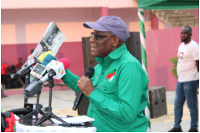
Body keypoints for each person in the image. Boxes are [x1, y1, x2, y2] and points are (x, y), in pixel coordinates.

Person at [62, 16, 149, 132]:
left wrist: (92, 93)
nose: (92, 40)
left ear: (114, 40)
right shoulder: (102, 65)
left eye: (98, 36)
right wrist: (61, 72)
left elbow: (127, 113)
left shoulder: (129, 66)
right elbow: (84, 87)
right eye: (93, 35)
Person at [169, 26, 199, 132]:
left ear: (190, 34)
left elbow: (198, 62)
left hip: (191, 79)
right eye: (181, 33)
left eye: (185, 33)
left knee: (191, 104)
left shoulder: (194, 46)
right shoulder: (181, 46)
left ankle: (194, 127)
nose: (182, 35)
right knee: (177, 104)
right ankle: (177, 126)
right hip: (181, 80)